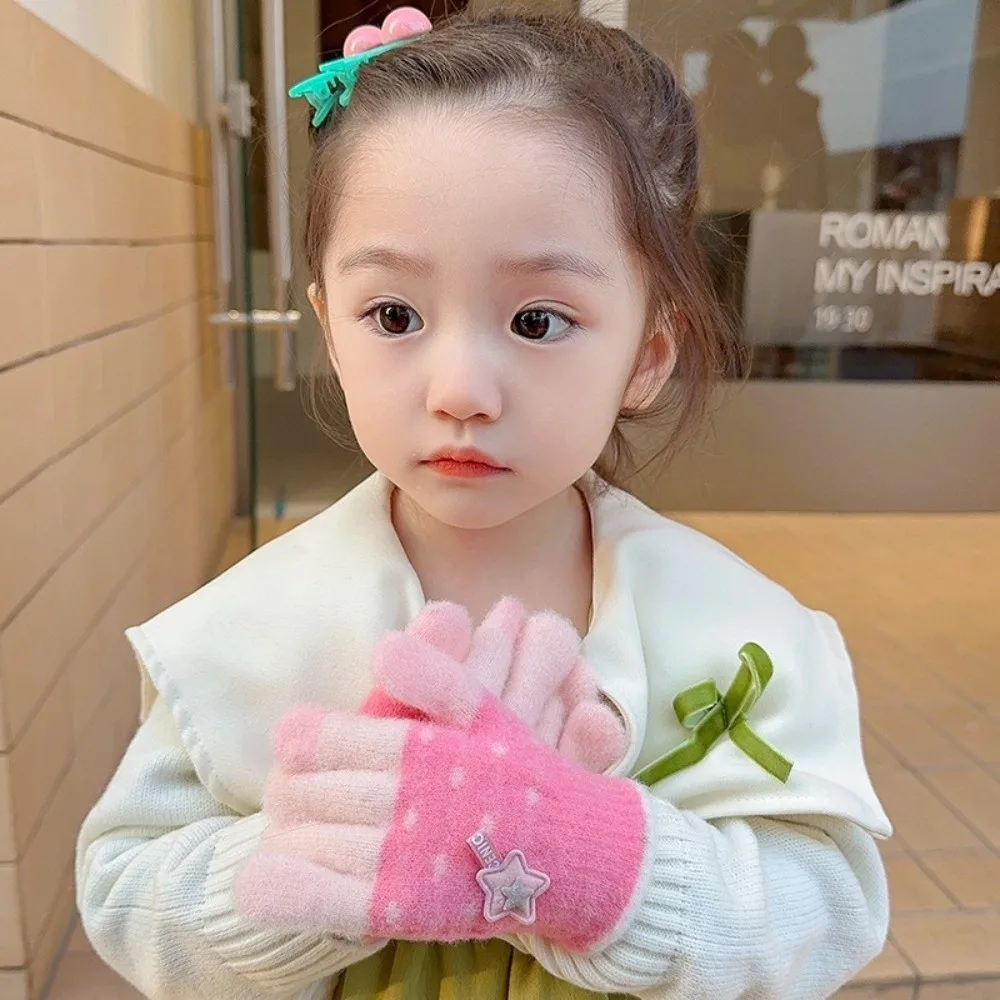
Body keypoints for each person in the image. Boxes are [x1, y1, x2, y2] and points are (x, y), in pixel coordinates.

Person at [76, 8, 891, 999]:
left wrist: (588, 862)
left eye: (538, 318)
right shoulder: (247, 629)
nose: (459, 385)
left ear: (646, 353)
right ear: (329, 328)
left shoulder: (732, 628)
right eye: (395, 315)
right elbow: (125, 889)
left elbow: (830, 902)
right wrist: (325, 863)